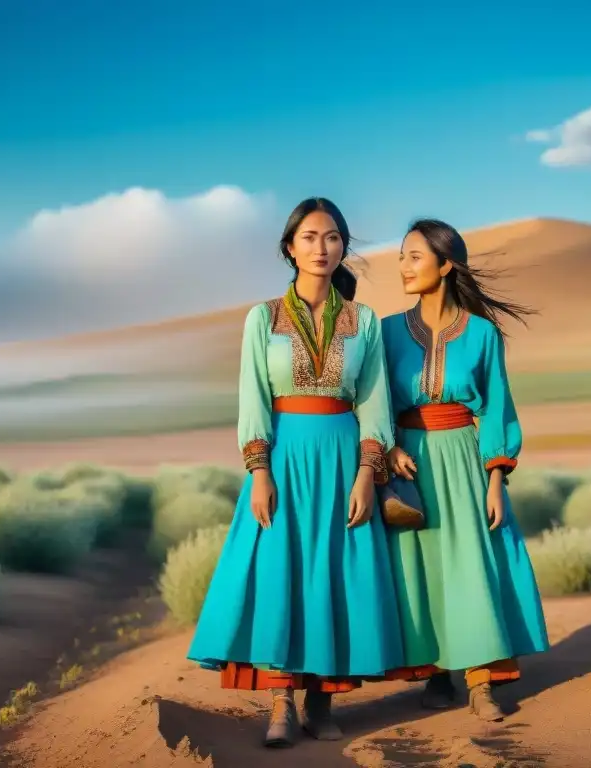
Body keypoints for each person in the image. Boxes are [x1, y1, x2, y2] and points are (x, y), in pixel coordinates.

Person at [187, 197, 404, 748]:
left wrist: (365, 473)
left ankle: (321, 700)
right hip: (282, 456)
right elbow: (253, 399)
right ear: (290, 247)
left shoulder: (366, 322)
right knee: (282, 570)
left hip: (341, 456)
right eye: (309, 237)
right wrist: (259, 471)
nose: (321, 247)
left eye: (332, 237)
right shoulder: (262, 317)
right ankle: (280, 703)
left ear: (343, 247)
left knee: (334, 571)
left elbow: (374, 403)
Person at [380, 218, 550, 721]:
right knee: (420, 566)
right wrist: (387, 450)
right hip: (407, 462)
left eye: (415, 256)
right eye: (402, 256)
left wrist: (496, 478)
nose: (404, 266)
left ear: (445, 264)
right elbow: (372, 402)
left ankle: (481, 683)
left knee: (473, 565)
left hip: (462, 456)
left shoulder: (481, 334)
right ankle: (435, 673)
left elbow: (497, 407)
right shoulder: (386, 330)